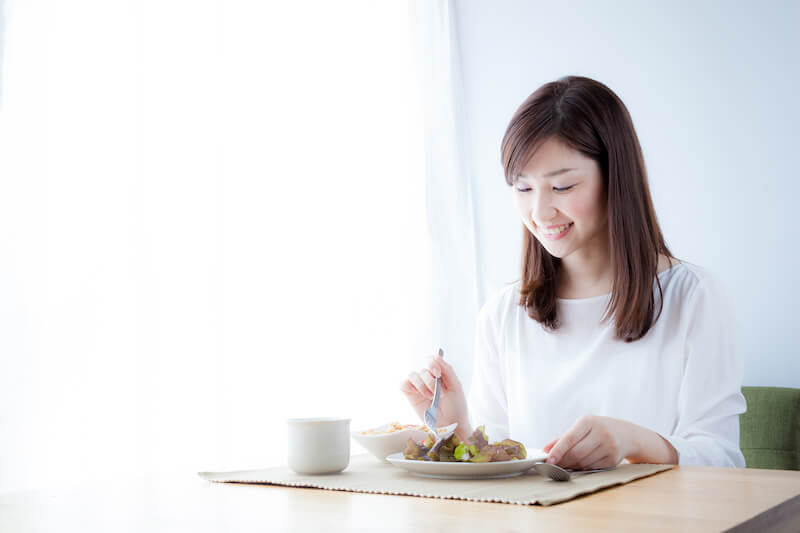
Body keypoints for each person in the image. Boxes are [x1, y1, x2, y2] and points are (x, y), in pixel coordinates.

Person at [400, 76, 746, 469]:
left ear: (616, 177)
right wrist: (458, 429)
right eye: (523, 189)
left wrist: (634, 441)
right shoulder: (504, 314)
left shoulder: (692, 297)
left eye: (562, 187)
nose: (540, 213)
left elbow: (724, 461)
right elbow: (504, 468)